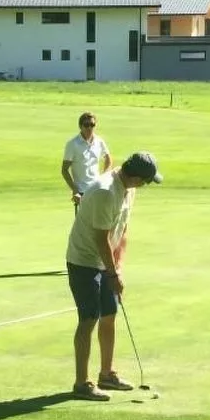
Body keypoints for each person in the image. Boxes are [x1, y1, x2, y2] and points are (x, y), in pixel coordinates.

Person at [65, 151, 162, 400]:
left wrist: (118, 267)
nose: (145, 185)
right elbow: (101, 239)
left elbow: (122, 230)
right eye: (146, 181)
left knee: (109, 315)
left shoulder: (129, 189)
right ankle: (81, 383)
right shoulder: (106, 191)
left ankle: (107, 374)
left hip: (105, 260)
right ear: (136, 176)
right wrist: (111, 273)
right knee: (89, 319)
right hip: (84, 260)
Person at [61, 112, 112, 208]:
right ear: (80, 126)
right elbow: (64, 170)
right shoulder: (72, 144)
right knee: (84, 222)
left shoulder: (99, 141)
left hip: (97, 189)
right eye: (86, 125)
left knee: (100, 220)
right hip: (81, 191)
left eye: (92, 125)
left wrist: (104, 177)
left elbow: (108, 159)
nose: (89, 128)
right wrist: (74, 190)